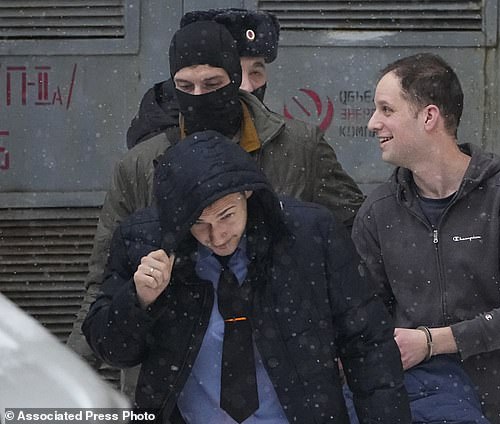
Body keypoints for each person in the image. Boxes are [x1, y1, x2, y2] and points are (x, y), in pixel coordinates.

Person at [67, 19, 364, 370]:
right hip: (173, 370)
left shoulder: (298, 148)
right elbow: (104, 284)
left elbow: (360, 238)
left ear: (233, 82)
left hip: (286, 366)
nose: (198, 96)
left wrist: (348, 337)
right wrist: (68, 378)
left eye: (212, 84)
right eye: (184, 86)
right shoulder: (140, 166)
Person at [82, 130, 411, 423]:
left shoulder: (309, 235)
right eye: (200, 224)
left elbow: (367, 345)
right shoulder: (143, 243)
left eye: (227, 215)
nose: (219, 235)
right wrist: (139, 300)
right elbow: (113, 351)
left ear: (248, 195)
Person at [352, 53, 500, 424]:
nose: (373, 123)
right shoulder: (379, 211)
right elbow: (365, 316)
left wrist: (432, 342)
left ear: (429, 117)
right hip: (417, 408)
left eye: (386, 109)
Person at [126, 8, 280, 148]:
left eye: (256, 73)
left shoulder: (278, 133)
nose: (247, 86)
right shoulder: (158, 138)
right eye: (237, 73)